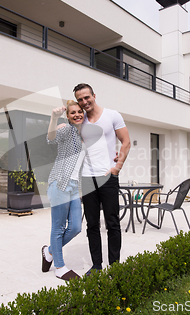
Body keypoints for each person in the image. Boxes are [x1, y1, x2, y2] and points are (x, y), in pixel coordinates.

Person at [73, 83, 131, 275]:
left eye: (86, 97)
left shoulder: (112, 115)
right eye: (80, 99)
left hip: (107, 177)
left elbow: (126, 142)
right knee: (91, 224)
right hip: (87, 178)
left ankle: (114, 265)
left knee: (112, 222)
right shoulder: (80, 121)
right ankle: (96, 265)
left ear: (94, 96)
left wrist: (117, 167)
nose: (84, 102)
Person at [41, 100, 86, 281]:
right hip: (60, 183)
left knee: (75, 227)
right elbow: (51, 138)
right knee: (58, 228)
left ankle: (49, 251)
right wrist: (53, 118)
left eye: (79, 111)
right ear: (68, 116)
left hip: (75, 186)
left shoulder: (85, 136)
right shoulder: (67, 130)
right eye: (73, 112)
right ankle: (59, 266)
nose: (77, 114)